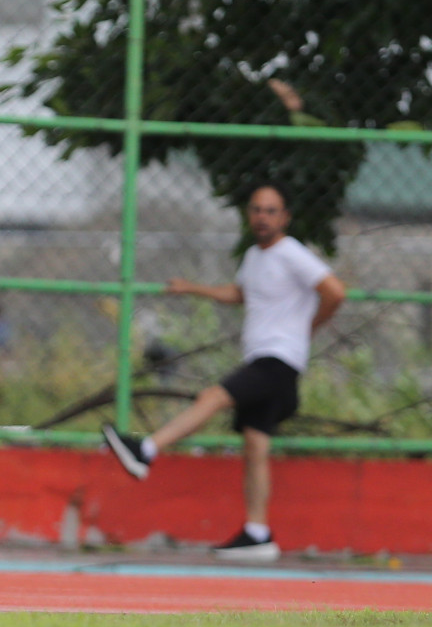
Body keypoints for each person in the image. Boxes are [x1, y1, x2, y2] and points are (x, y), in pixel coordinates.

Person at [102, 184, 346, 561]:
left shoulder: (291, 253)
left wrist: (309, 327)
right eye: (257, 209)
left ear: (284, 217)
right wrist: (193, 288)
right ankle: (258, 534)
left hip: (277, 360)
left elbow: (334, 291)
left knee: (212, 397)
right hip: (264, 360)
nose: (262, 217)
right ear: (249, 215)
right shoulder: (253, 256)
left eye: (271, 210)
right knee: (255, 447)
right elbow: (240, 294)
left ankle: (146, 450)